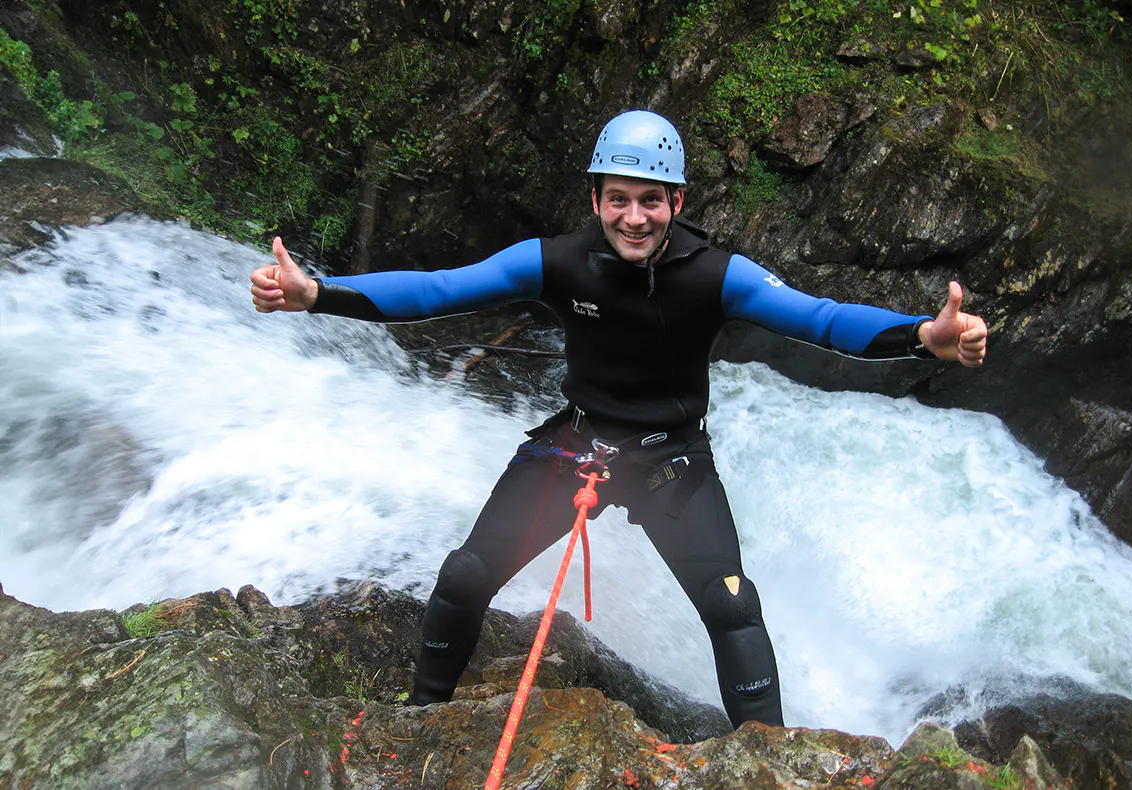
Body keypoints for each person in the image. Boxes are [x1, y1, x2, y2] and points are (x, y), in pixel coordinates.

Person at [250, 110, 988, 729]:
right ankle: (418, 719)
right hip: (578, 443)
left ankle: (767, 759)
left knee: (732, 607)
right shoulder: (557, 262)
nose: (634, 217)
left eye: (651, 201)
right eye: (618, 199)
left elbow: (820, 319)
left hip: (672, 460)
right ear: (596, 198)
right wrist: (318, 293)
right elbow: (441, 289)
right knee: (465, 574)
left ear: (677, 200)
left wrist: (924, 335)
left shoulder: (717, 275)